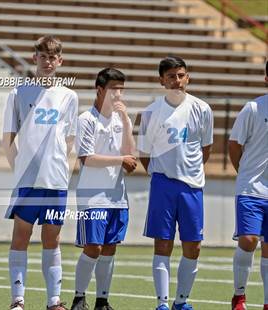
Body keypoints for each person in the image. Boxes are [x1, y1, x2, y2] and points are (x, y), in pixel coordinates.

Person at [2, 35, 78, 310]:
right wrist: (20, 170)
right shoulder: (18, 92)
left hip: (55, 180)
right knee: (21, 236)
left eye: (53, 57)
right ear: (35, 58)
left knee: (52, 238)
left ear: (60, 61)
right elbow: (7, 140)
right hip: (28, 182)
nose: (48, 62)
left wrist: (58, 167)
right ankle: (17, 300)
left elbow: (69, 140)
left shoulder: (69, 96)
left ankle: (53, 301)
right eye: (43, 56)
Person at [137, 56, 213, 310]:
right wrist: (163, 175)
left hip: (192, 187)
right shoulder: (150, 112)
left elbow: (206, 149)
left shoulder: (202, 108)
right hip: (163, 186)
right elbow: (144, 154)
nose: (177, 80)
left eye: (181, 75)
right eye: (171, 76)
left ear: (188, 77)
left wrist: (189, 173)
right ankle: (162, 303)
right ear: (162, 80)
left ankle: (182, 301)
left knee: (193, 245)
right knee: (163, 244)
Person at [70, 68, 136, 310]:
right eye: (113, 89)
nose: (118, 94)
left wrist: (127, 121)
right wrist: (121, 161)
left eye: (121, 89)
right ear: (99, 90)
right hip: (93, 195)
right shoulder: (86, 120)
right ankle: (79, 297)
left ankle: (102, 301)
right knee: (93, 247)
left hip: (117, 196)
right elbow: (87, 158)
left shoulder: (120, 119)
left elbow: (130, 153)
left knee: (109, 248)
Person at [229, 61, 268, 310]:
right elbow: (234, 145)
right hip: (251, 189)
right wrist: (243, 173)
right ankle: (239, 296)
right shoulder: (253, 107)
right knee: (249, 239)